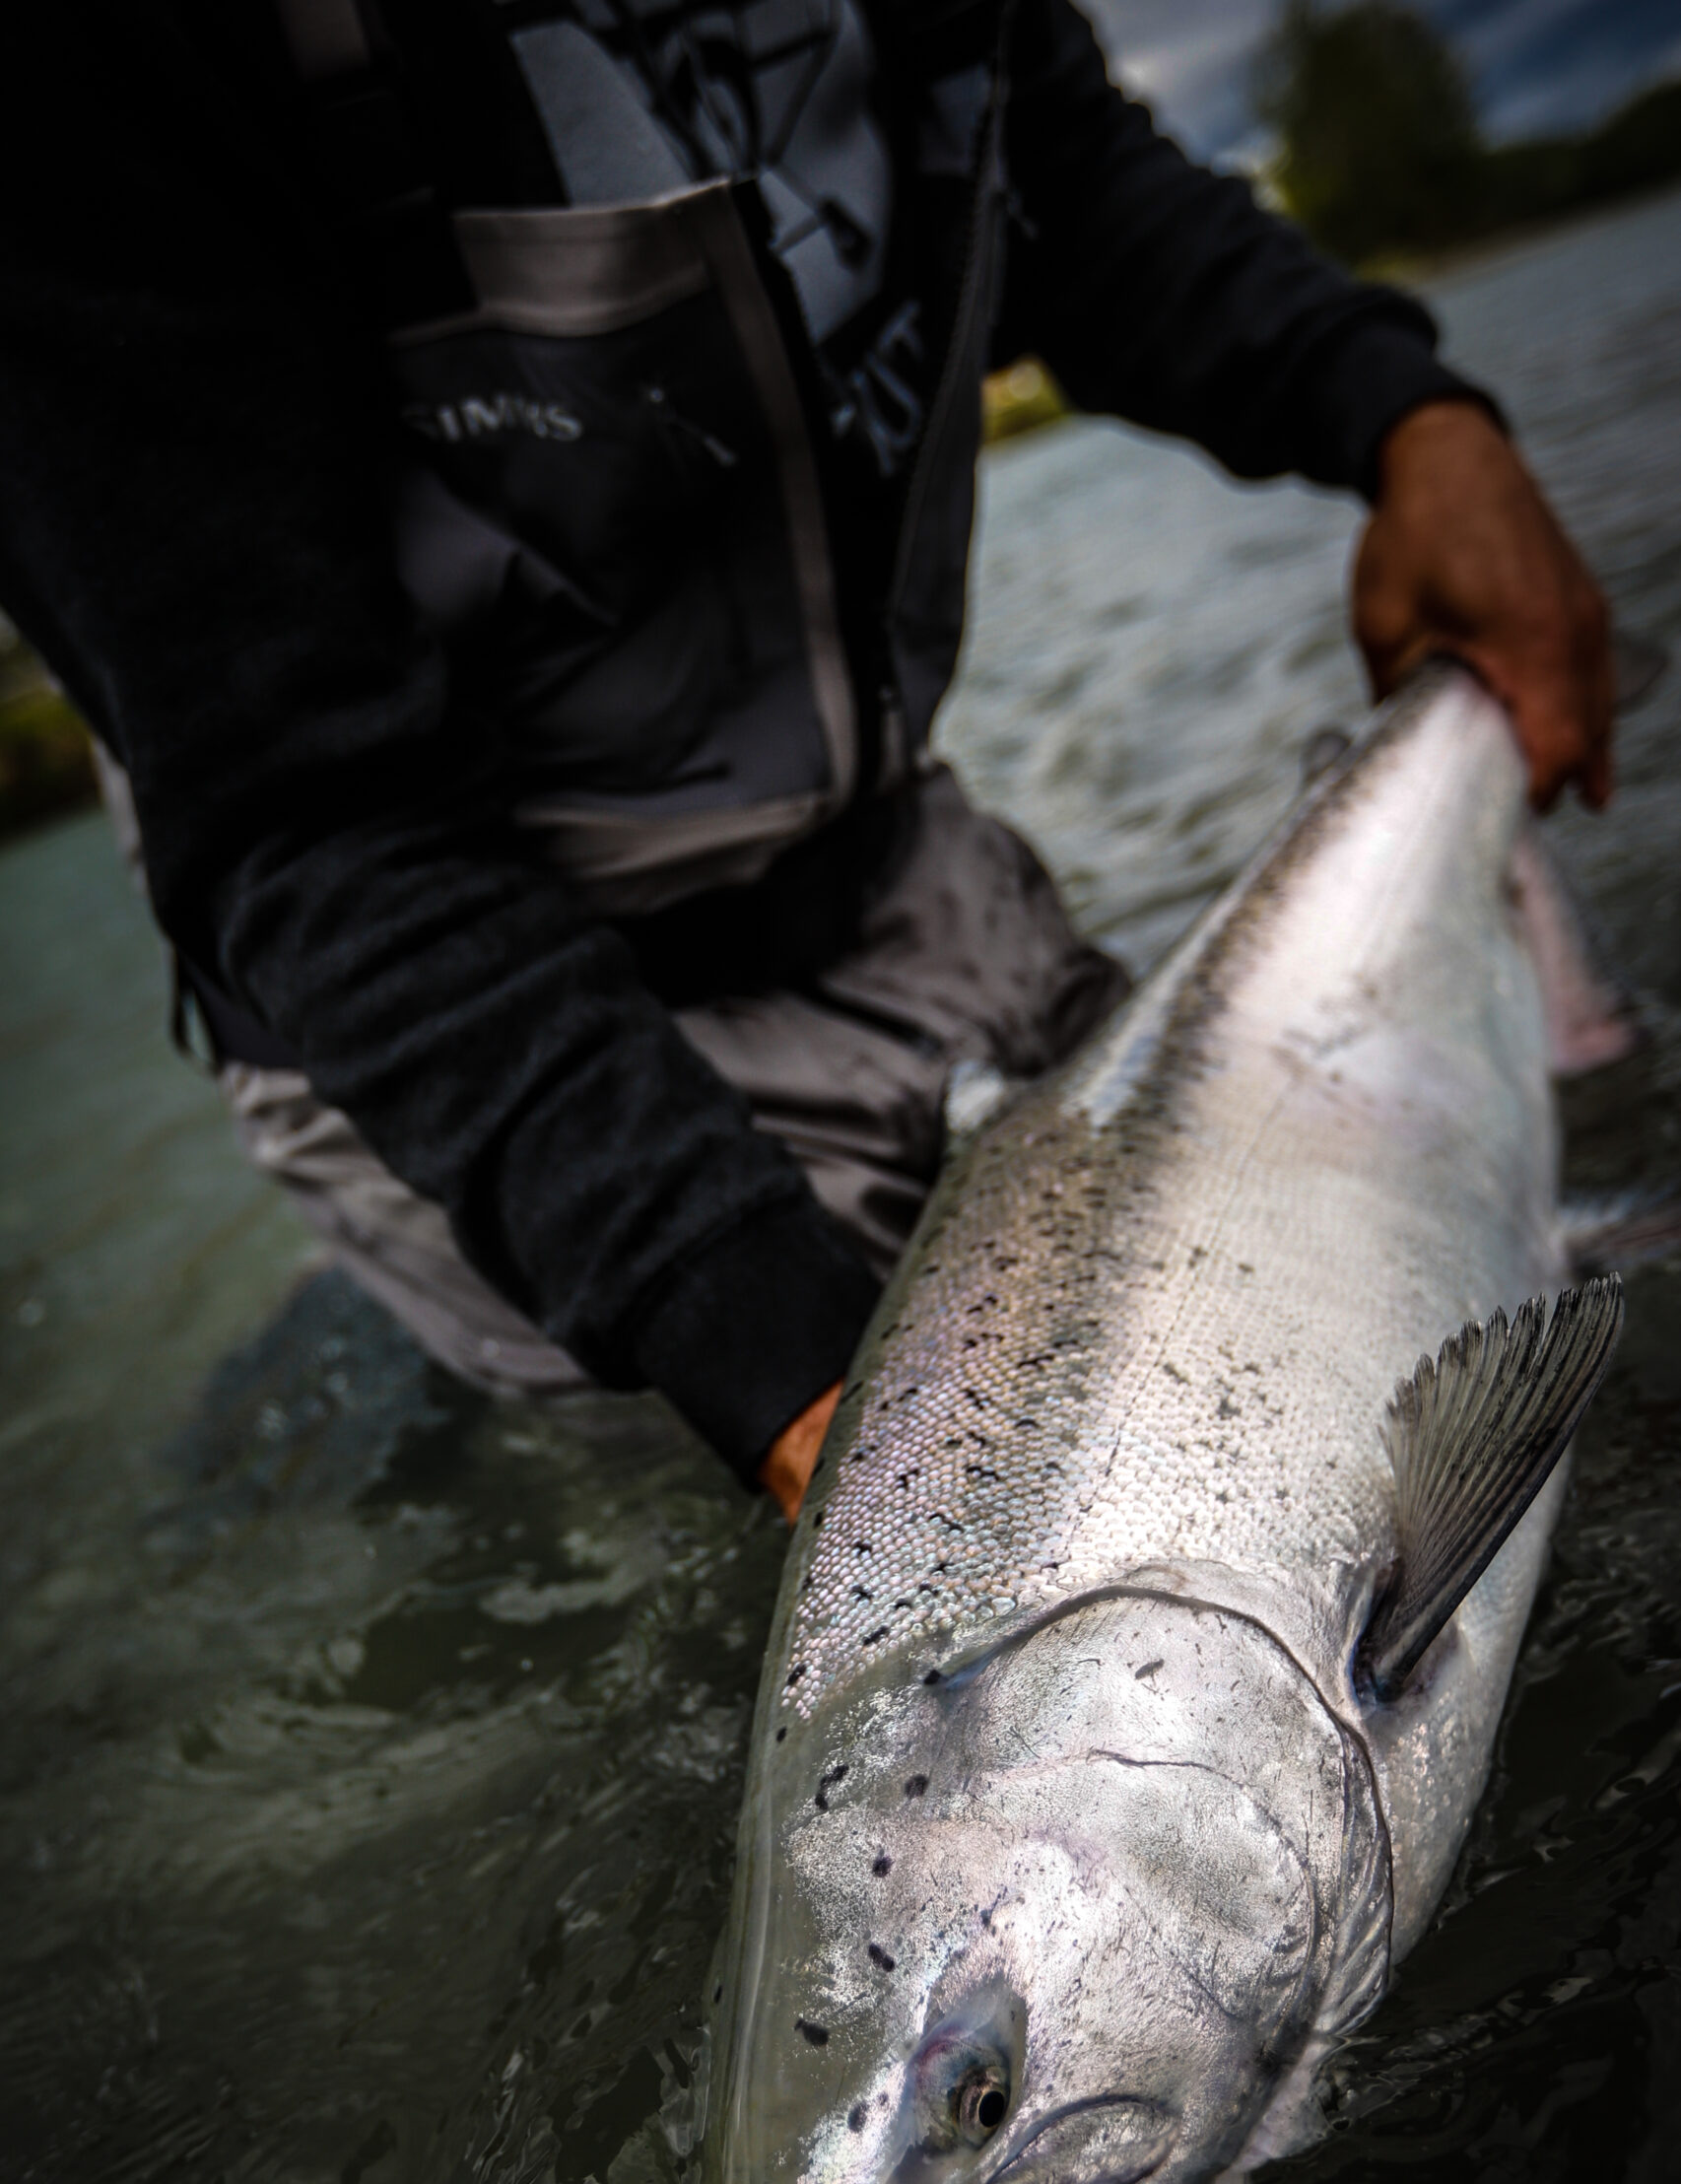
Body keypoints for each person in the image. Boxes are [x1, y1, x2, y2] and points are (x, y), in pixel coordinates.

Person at [0, 1, 1612, 1523]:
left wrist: (1404, 416)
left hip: (896, 862)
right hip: (468, 1006)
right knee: (730, 1577)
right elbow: (306, 820)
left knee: (1416, 1343)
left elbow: (1054, 176)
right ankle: (403, 1301)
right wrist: (737, 1326)